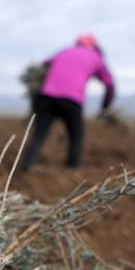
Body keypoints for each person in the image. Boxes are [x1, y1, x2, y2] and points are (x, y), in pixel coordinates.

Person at [22, 33, 115, 170]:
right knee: (76, 135)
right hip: (72, 100)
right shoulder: (96, 57)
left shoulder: (64, 52)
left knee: (39, 133)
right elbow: (109, 84)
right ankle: (72, 168)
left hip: (47, 97)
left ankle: (26, 166)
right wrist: (105, 107)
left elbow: (43, 65)